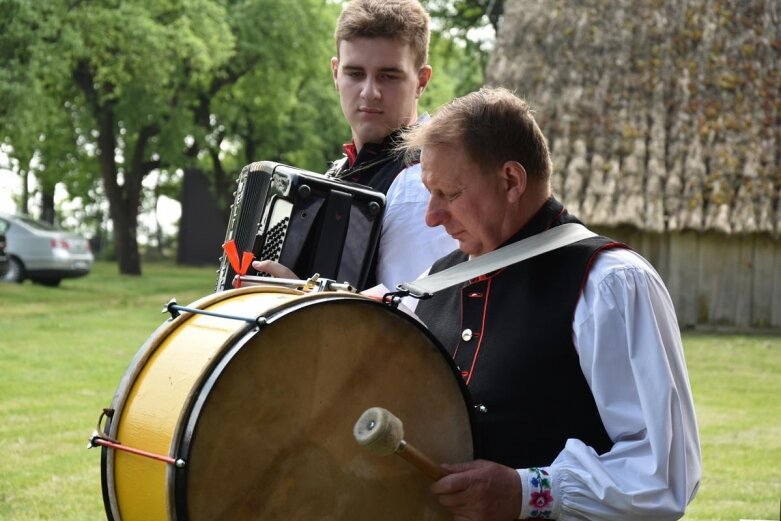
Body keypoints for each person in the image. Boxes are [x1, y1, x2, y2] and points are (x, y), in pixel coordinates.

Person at [397, 87, 701, 520]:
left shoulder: (610, 283)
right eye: (430, 192)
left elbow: (663, 475)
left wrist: (526, 492)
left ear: (511, 181)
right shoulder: (432, 284)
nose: (431, 216)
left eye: (449, 193)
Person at [253, 0, 456, 289]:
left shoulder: (419, 184)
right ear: (336, 73)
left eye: (388, 76)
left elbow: (412, 326)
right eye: (355, 74)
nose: (370, 92)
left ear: (421, 81)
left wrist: (300, 304)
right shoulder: (343, 170)